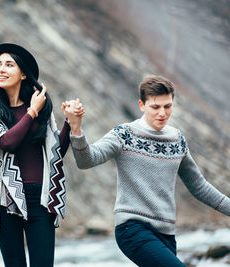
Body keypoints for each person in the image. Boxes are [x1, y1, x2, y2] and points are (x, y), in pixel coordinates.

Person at [62, 75, 230, 267]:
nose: (162, 113)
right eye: (155, 107)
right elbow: (87, 160)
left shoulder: (177, 139)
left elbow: (199, 187)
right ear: (142, 105)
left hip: (167, 234)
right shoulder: (124, 134)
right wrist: (75, 128)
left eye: (167, 106)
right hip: (132, 229)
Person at [0, 43, 83, 267]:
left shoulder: (42, 108)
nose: (1, 69)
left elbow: (56, 154)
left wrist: (70, 122)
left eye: (9, 64)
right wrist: (31, 111)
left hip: (40, 200)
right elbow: (6, 143)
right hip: (6, 200)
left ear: (23, 73)